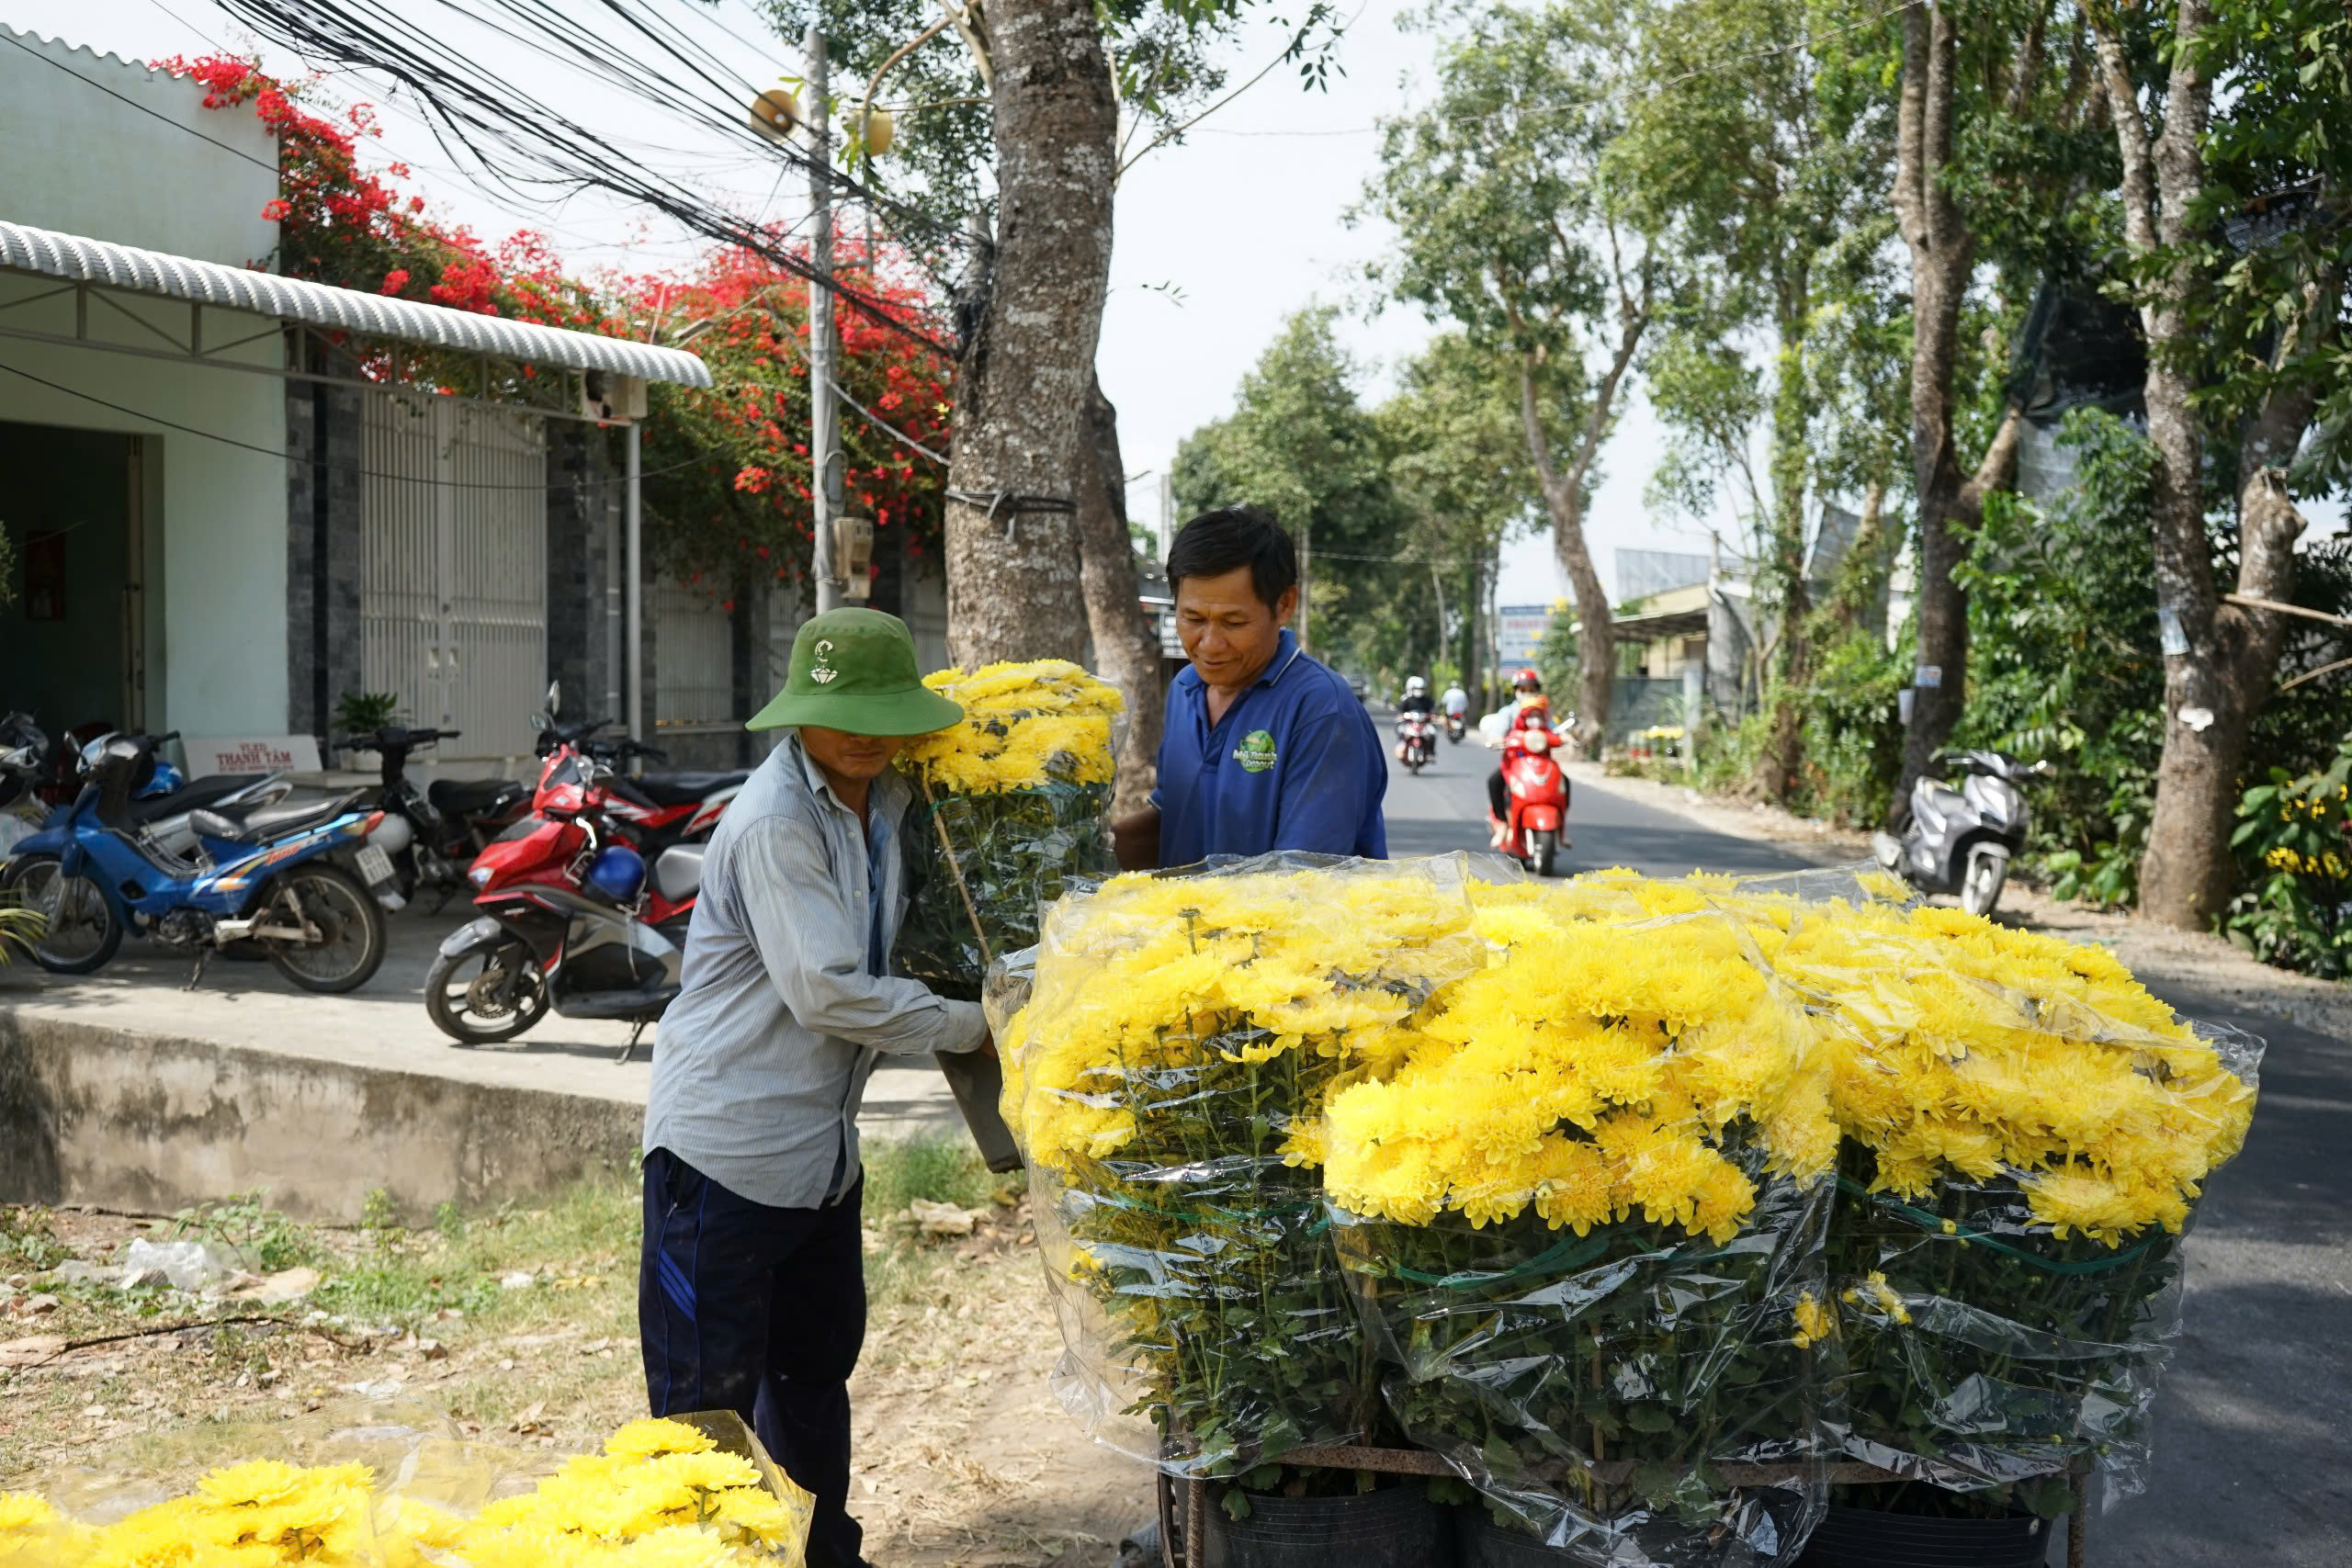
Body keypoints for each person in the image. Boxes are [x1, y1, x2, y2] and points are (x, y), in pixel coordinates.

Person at [639, 607, 988, 1568]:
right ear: (798, 713)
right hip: (722, 1158)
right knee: (702, 1409)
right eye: (843, 714)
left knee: (811, 1375)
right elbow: (828, 992)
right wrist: (979, 1018)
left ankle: (825, 1553)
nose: (864, 734)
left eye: (883, 712)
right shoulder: (774, 822)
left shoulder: (893, 800)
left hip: (819, 1159)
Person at [1112, 505, 1387, 870]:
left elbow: (1304, 878)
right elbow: (1176, 815)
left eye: (1234, 622)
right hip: (1186, 925)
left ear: (1284, 604)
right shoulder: (1184, 690)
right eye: (1193, 618)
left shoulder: (1321, 709)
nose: (1209, 644)